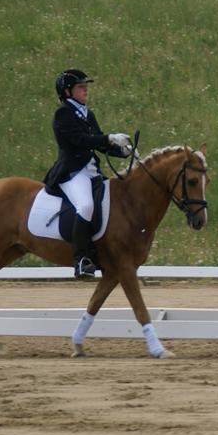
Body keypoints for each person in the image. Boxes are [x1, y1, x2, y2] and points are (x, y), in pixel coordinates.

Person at [42, 69, 132, 279]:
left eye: (85, 87)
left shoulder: (87, 113)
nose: (85, 90)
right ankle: (81, 260)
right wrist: (109, 138)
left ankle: (101, 250)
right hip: (72, 173)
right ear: (67, 91)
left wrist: (123, 152)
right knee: (86, 206)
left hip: (92, 172)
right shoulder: (63, 114)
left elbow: (99, 142)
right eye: (81, 87)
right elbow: (81, 141)